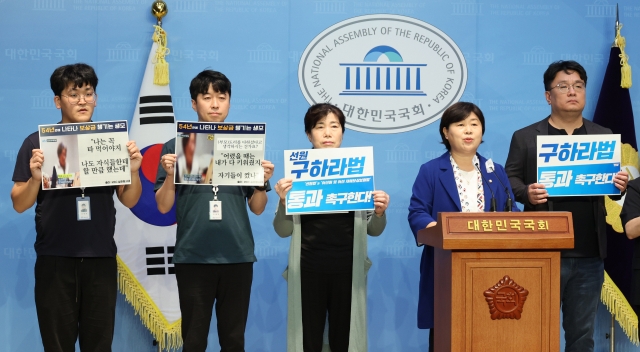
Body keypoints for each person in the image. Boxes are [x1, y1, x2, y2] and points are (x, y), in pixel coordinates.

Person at [10, 63, 143, 351]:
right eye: (74, 94)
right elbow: (19, 203)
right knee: (57, 344)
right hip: (55, 259)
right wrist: (35, 179)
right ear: (58, 100)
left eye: (89, 93)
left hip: (100, 258)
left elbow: (129, 200)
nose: (83, 100)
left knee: (99, 344)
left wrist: (133, 171)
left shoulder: (111, 142)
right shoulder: (37, 144)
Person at [505, 60, 628, 352]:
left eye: (578, 86)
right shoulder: (526, 137)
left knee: (581, 335)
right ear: (549, 96)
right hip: (543, 251)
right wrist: (527, 193)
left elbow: (610, 191)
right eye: (563, 86)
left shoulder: (602, 135)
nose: (572, 92)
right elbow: (510, 180)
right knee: (534, 330)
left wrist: (618, 185)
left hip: (589, 255)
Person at [155, 70, 274, 352]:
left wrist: (261, 183)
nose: (215, 104)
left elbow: (257, 209)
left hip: (237, 255)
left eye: (222, 97)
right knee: (193, 341)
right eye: (207, 97)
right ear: (194, 104)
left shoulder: (243, 146)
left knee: (233, 340)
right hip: (193, 256)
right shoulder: (176, 147)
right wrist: (171, 175)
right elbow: (163, 206)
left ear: (229, 102)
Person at [272, 103, 389, 352]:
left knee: (345, 340)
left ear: (342, 133)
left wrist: (379, 212)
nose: (327, 133)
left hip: (348, 269)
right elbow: (283, 230)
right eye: (320, 127)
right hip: (307, 268)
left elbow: (374, 229)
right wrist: (283, 202)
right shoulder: (297, 175)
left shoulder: (357, 171)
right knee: (307, 340)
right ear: (308, 134)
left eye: (334, 127)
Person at [408, 101, 518, 352]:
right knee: (447, 336)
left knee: (488, 333)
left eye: (474, 124)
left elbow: (512, 215)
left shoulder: (495, 171)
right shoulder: (432, 171)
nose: (469, 131)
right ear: (446, 132)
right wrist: (439, 229)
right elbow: (417, 213)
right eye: (461, 125)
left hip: (492, 270)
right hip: (446, 266)